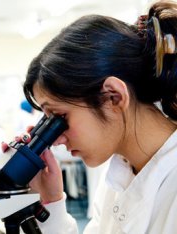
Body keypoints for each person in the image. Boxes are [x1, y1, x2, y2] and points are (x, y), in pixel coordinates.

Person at [20, 1, 177, 233]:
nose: (55, 139)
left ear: (113, 96)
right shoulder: (118, 176)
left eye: (59, 117)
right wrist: (51, 201)